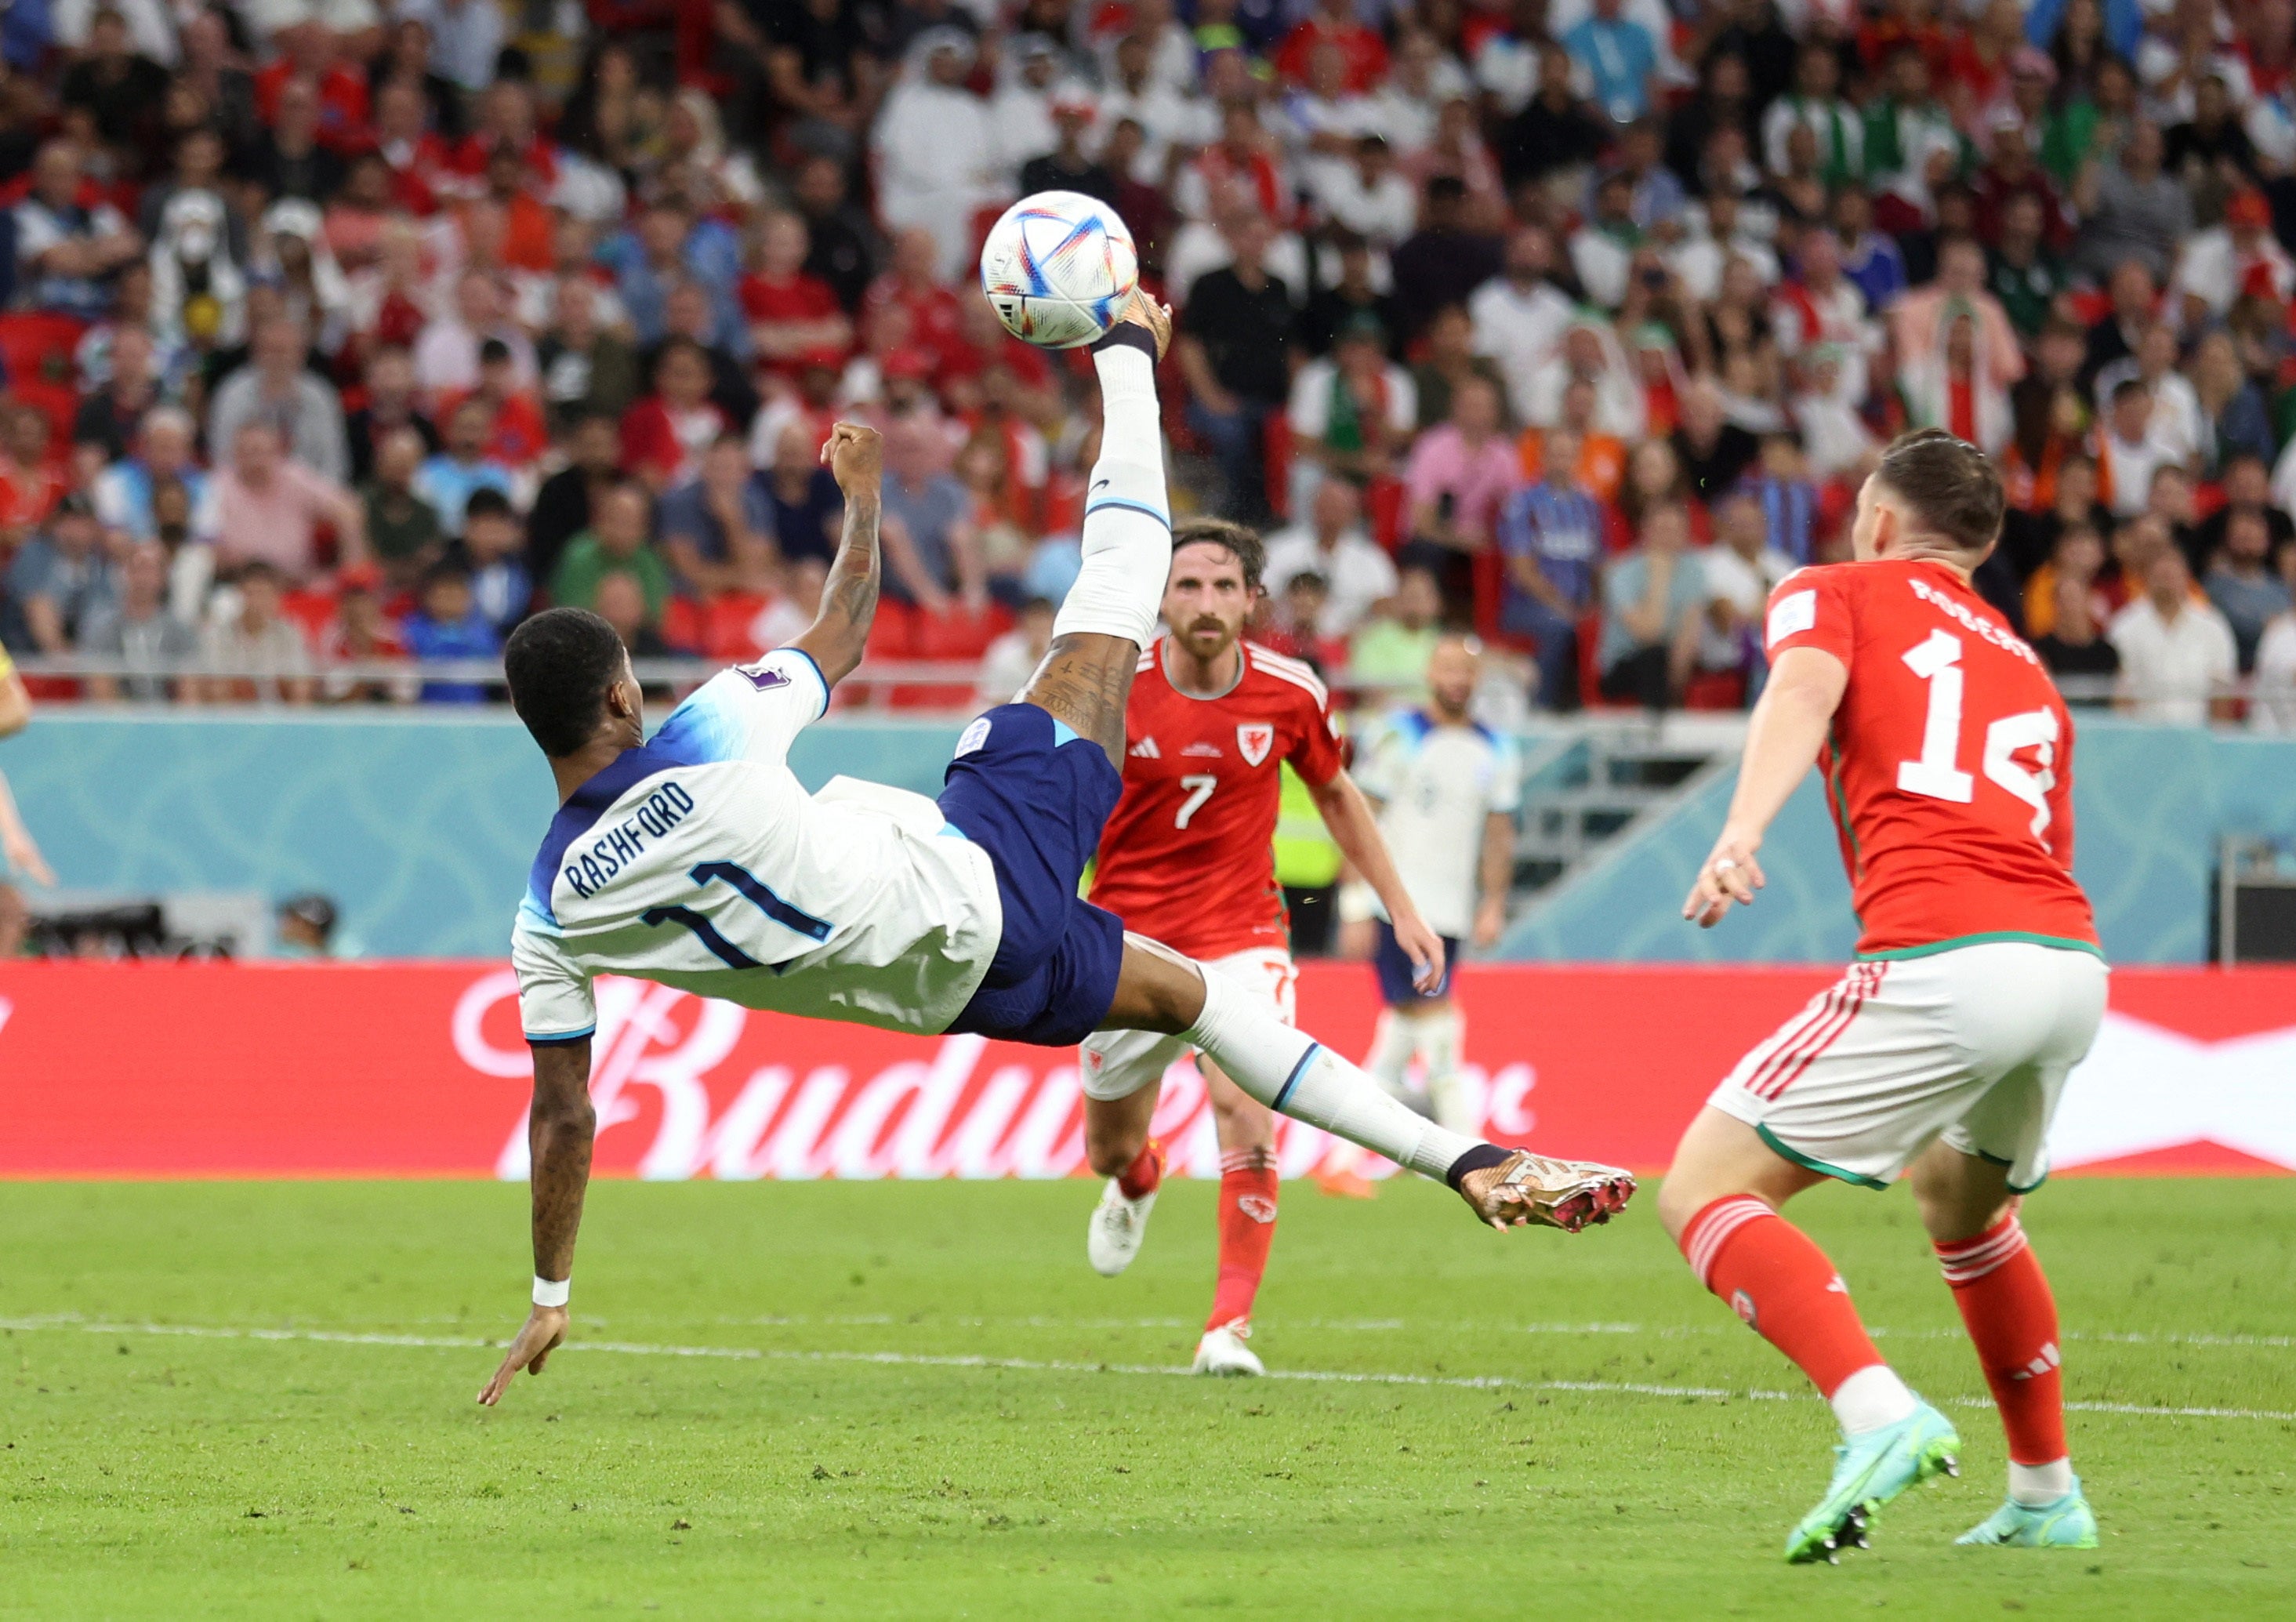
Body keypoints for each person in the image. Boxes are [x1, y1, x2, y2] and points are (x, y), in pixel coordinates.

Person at [480, 298, 1634, 1406]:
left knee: (1192, 1003)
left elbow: (565, 1113)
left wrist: (549, 1291)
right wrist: (866, 499)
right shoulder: (709, 731)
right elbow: (845, 626)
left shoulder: (545, 915)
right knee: (1117, 599)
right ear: (627, 694)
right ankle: (1128, 348)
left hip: (958, 999)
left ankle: (1466, 1161)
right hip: (978, 873)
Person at [1659, 430, 2107, 1562]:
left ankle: (1876, 1413)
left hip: (1943, 956)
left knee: (1702, 1187)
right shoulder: (2021, 658)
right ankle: (2046, 1493)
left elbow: (1802, 691)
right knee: (1965, 1208)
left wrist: (1740, 829)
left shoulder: (1832, 589)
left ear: (1875, 519)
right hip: (2066, 965)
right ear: (1987, 544)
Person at [1078, 517, 1449, 1378]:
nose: (1204, 603)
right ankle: (1138, 1178)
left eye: (1221, 586)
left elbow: (1338, 795)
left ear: (1252, 599)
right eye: (1186, 586)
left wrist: (1402, 907)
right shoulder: (1108, 687)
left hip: (1241, 933)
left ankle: (1227, 1327)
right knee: (1108, 1145)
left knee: (1246, 1107)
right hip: (1125, 940)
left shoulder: (1290, 691)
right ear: (1160, 599)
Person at [1351, 637, 1519, 1135]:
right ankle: (1465, 1144)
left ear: (1478, 678)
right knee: (1438, 1018)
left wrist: (1493, 903)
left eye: (1466, 671)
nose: (1457, 680)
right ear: (1429, 673)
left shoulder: (1497, 747)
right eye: (1447, 669)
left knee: (1405, 1021)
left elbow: (1498, 832)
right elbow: (1361, 817)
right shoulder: (1398, 735)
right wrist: (1355, 903)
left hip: (1452, 909)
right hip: (1398, 907)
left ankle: (1342, 1160)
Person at [2108, 546, 2237, 725]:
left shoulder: (2213, 627)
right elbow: (2121, 694)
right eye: (2161, 575)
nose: (2167, 582)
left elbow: (2221, 692)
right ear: (2147, 578)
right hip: (2143, 738)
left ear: (2186, 577)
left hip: (2196, 738)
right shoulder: (2124, 627)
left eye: (2172, 575)